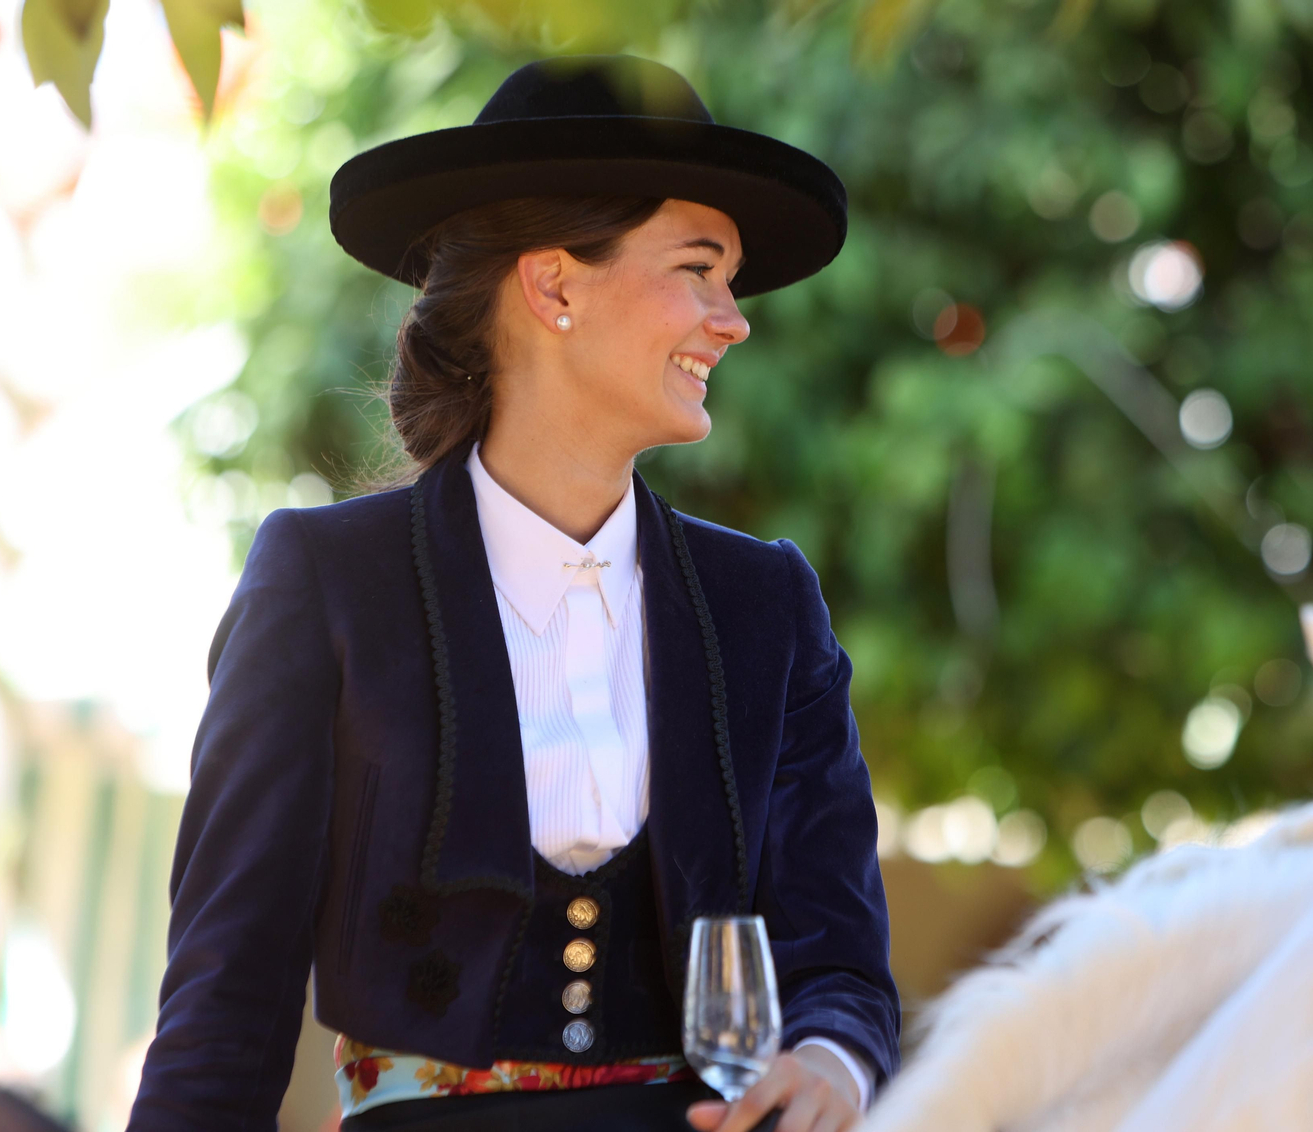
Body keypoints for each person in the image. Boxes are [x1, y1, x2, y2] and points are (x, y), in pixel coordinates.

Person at [127, 54, 899, 1132]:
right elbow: (224, 1010)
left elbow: (844, 971)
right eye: (699, 269)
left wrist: (830, 1060)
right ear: (553, 286)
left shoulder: (765, 606)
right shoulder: (325, 585)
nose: (734, 319)